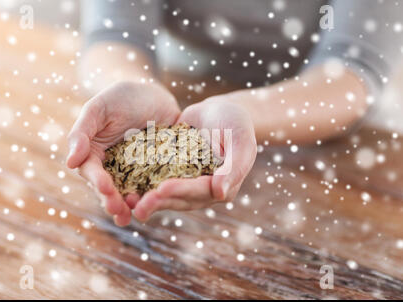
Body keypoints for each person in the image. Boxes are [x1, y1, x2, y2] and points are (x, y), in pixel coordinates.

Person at [66, 0, 403, 226]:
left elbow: (353, 70)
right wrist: (130, 85)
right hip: (181, 90)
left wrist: (242, 112)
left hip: (323, 124)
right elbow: (113, 36)